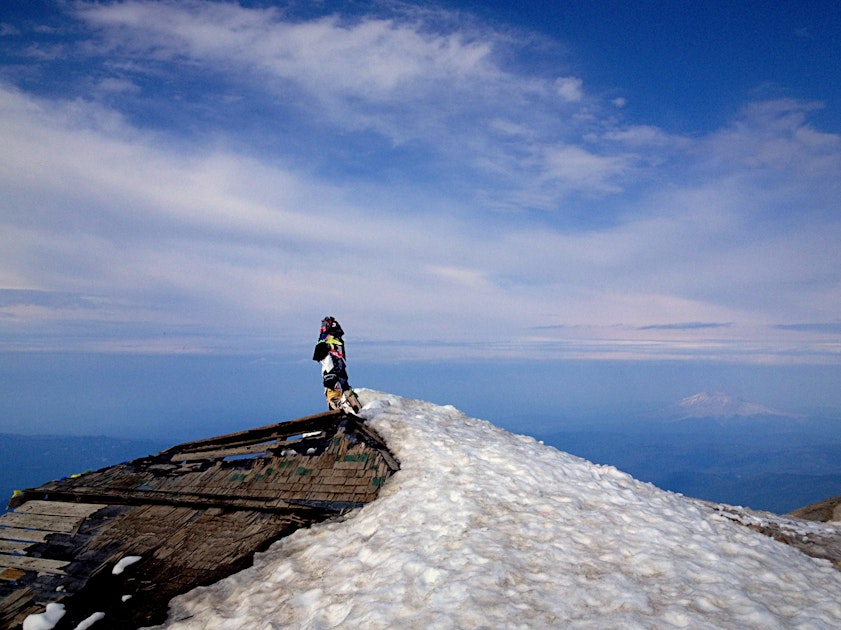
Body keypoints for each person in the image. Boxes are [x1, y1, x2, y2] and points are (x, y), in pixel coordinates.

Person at [312, 316, 361, 413]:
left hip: (338, 378)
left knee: (341, 392)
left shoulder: (331, 346)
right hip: (332, 378)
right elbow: (321, 357)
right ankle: (338, 408)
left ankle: (347, 406)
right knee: (335, 396)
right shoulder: (326, 345)